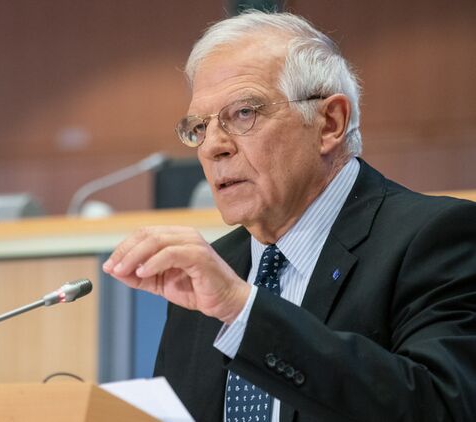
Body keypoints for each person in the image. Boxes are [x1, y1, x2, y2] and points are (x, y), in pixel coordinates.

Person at [102, 10, 476, 422]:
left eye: (243, 113)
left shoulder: (437, 238)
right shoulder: (211, 273)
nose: (212, 147)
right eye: (200, 128)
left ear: (330, 123)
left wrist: (243, 310)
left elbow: (442, 407)